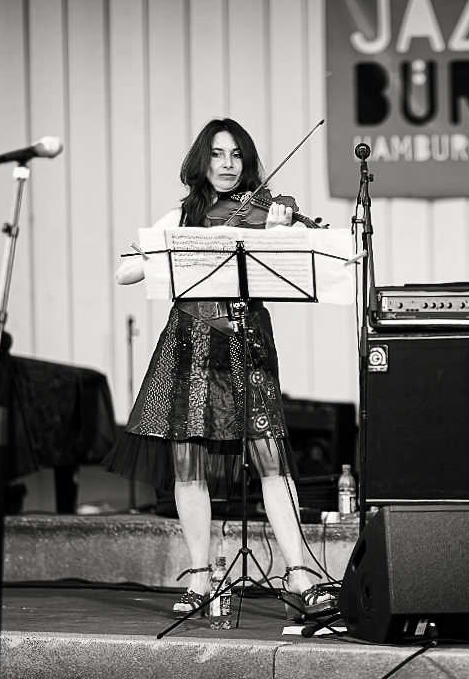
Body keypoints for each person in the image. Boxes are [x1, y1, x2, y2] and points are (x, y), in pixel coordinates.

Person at [103, 118, 317, 619]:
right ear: (202, 161)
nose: (227, 165)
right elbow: (125, 272)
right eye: (218, 155)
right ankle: (201, 578)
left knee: (271, 457)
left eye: (237, 156)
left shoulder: (264, 212)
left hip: (244, 340)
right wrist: (173, 243)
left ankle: (300, 575)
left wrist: (279, 225)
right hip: (191, 343)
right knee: (188, 462)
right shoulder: (179, 215)